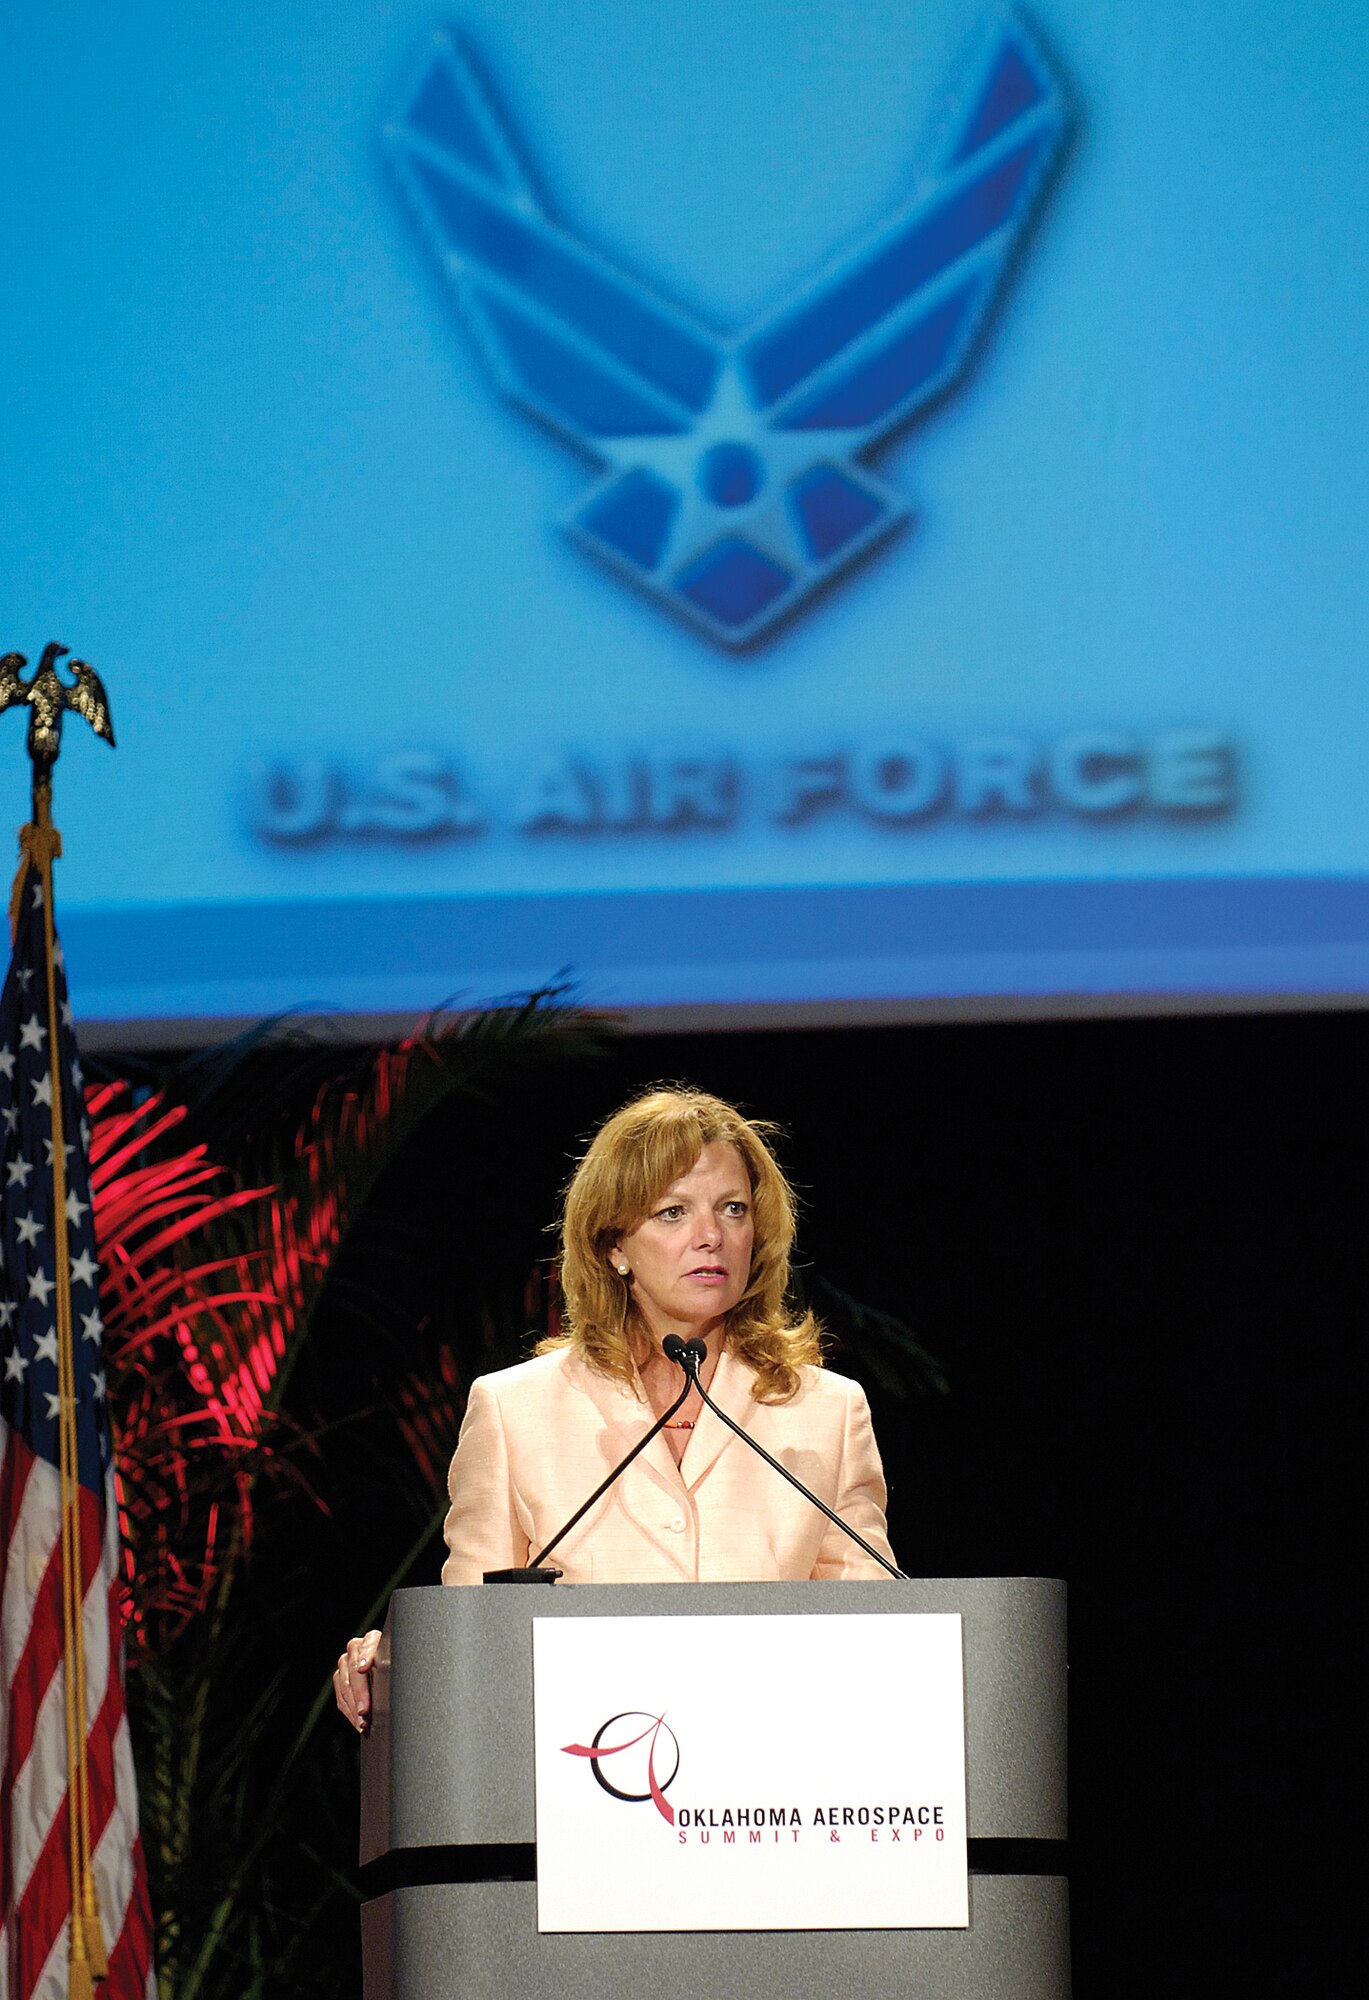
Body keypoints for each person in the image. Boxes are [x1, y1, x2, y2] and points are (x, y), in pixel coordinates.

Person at [333, 1085, 896, 1731]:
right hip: (586, 1763)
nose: (710, 1236)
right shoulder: (514, 1409)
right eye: (672, 1212)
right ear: (613, 1247)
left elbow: (871, 1621)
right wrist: (405, 1661)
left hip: (774, 1757)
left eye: (732, 1209)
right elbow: (472, 1626)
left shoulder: (827, 1410)